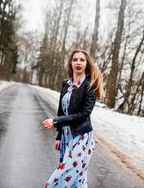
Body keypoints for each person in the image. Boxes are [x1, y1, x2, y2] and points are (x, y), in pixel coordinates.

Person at [41, 49, 104, 188]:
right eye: (75, 59)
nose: (78, 62)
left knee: (63, 174)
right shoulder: (66, 84)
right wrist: (59, 135)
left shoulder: (90, 85)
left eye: (82, 60)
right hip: (66, 135)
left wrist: (56, 121)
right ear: (70, 63)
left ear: (87, 64)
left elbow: (84, 114)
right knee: (78, 178)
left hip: (81, 136)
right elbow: (61, 110)